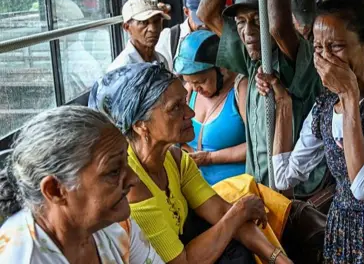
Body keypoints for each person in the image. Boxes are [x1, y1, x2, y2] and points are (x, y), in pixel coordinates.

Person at [258, 0, 364, 263]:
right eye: (317, 48)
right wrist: (283, 102)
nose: (324, 58)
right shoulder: (324, 108)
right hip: (343, 233)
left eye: (335, 47)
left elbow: (363, 185)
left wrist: (349, 94)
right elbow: (283, 177)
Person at [89, 63, 292, 264]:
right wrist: (239, 211)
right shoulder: (131, 185)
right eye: (175, 108)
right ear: (141, 125)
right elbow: (182, 261)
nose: (190, 114)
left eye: (185, 102)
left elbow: (221, 212)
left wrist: (279, 259)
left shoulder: (176, 160)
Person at [196, 0, 326, 195]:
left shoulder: (296, 57)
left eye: (257, 20)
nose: (247, 30)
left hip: (299, 192)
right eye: (241, 22)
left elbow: (278, 25)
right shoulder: (251, 61)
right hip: (261, 186)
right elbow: (206, 13)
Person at [0, 106, 163, 264]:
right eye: (113, 171)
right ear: (55, 190)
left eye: (126, 162)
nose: (134, 179)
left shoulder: (115, 225)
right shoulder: (20, 258)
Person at [174, 30, 249, 186]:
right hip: (195, 189)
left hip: (236, 189)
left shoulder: (241, 89)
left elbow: (257, 145)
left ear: (221, 68)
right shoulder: (189, 91)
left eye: (201, 81)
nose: (196, 88)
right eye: (190, 82)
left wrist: (210, 158)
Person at [109, 0, 170, 72]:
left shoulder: (161, 60)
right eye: (143, 22)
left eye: (156, 21)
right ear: (127, 27)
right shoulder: (121, 69)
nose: (153, 29)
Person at [156, 0, 207, 72]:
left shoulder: (219, 32)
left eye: (208, 16)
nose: (205, 24)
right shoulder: (170, 37)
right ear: (186, 12)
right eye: (199, 18)